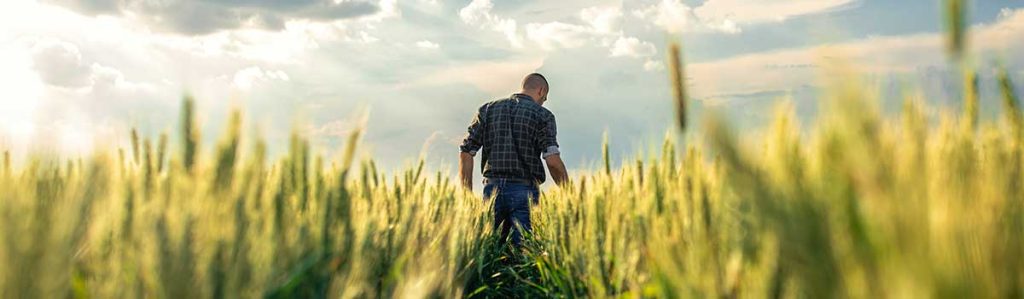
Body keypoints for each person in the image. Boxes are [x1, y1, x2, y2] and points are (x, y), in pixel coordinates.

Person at [459, 73, 569, 246]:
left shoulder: (487, 110)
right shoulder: (543, 115)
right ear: (541, 91)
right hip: (524, 192)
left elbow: (466, 152)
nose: (543, 102)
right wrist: (568, 192)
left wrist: (466, 194)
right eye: (544, 98)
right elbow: (553, 162)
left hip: (491, 190)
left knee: (488, 251)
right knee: (522, 253)